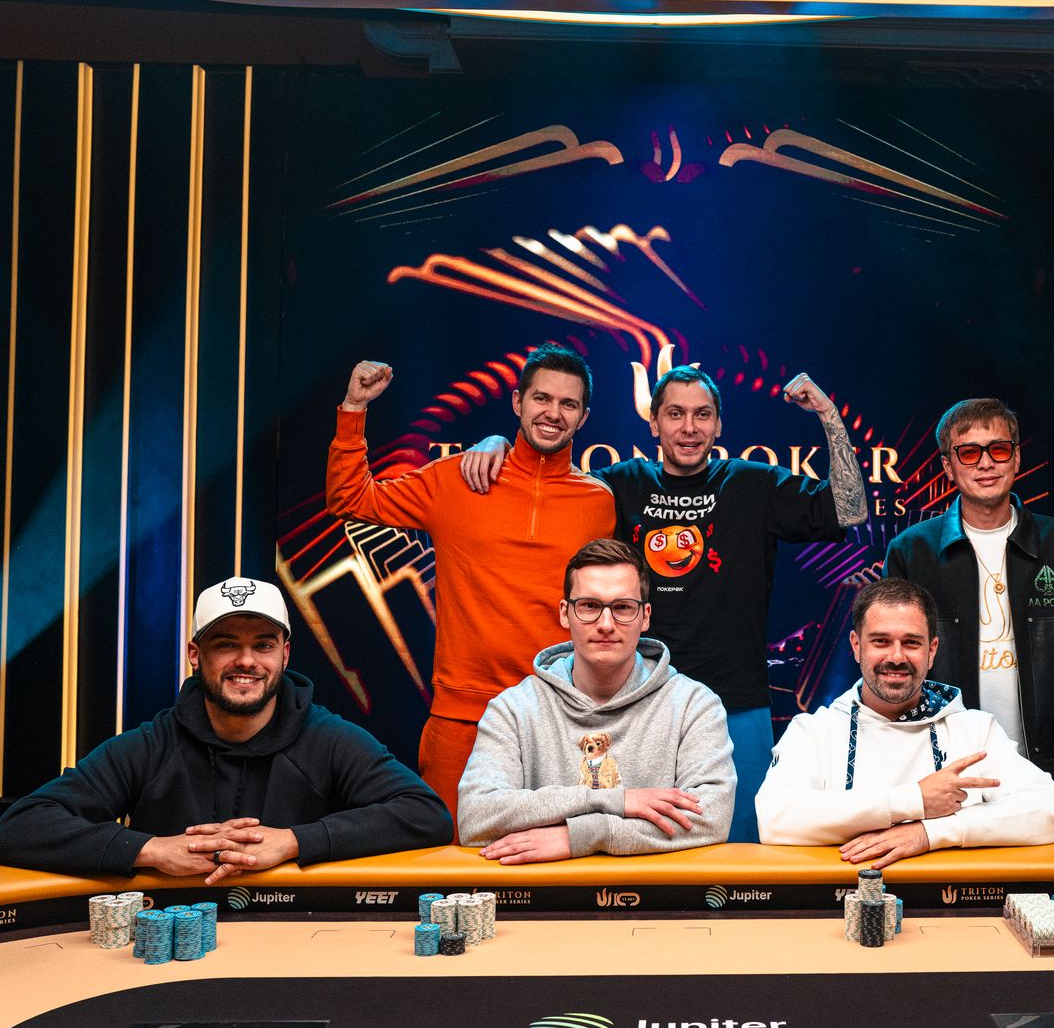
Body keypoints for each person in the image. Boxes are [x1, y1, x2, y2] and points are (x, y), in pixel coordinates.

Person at [459, 365, 867, 842]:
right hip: (641, 711)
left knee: (737, 852)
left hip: (736, 701)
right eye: (675, 414)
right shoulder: (618, 485)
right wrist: (498, 445)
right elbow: (544, 488)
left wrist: (828, 415)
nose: (689, 428)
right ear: (653, 423)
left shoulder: (752, 484)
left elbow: (850, 511)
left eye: (702, 415)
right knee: (632, 835)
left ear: (719, 425)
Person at [0, 577, 452, 882]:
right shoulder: (152, 743)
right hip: (167, 952)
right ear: (195, 654)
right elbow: (17, 828)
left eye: (263, 645)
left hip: (298, 940)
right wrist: (149, 849)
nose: (246, 661)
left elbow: (425, 815)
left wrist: (293, 841)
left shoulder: (328, 737)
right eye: (226, 644)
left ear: (284, 655)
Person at [326, 343, 615, 825]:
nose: (553, 413)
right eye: (542, 398)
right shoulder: (456, 478)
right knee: (449, 857)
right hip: (462, 719)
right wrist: (354, 409)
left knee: (558, 861)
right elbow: (350, 498)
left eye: (568, 404)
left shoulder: (600, 502)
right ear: (517, 402)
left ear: (584, 418)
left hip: (559, 719)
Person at [755, 578, 1054, 868]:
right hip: (840, 900)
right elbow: (774, 819)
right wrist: (916, 800)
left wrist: (930, 833)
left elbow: (1051, 812)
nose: (896, 657)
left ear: (932, 651)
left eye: (911, 643)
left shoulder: (975, 731)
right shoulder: (814, 731)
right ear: (856, 646)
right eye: (880, 641)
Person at [884, 397, 1054, 782]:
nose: (986, 463)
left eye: (998, 449)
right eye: (969, 453)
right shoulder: (911, 552)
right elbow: (898, 665)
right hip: (947, 766)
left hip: (1051, 766)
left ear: (1016, 457)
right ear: (948, 466)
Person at [457, 539, 736, 862]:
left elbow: (710, 818)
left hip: (656, 892)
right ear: (565, 613)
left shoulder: (693, 705)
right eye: (589, 606)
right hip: (547, 892)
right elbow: (475, 818)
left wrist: (582, 835)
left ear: (645, 616)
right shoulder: (514, 709)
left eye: (623, 608)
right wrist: (616, 800)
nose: (606, 625)